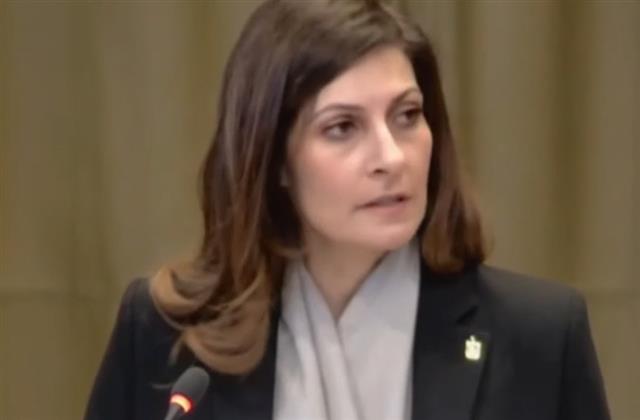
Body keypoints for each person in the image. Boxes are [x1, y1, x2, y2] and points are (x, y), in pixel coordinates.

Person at [84, 1, 610, 419]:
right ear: (274, 160)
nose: (391, 157)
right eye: (342, 127)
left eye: (407, 115)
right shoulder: (165, 334)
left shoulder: (540, 336)